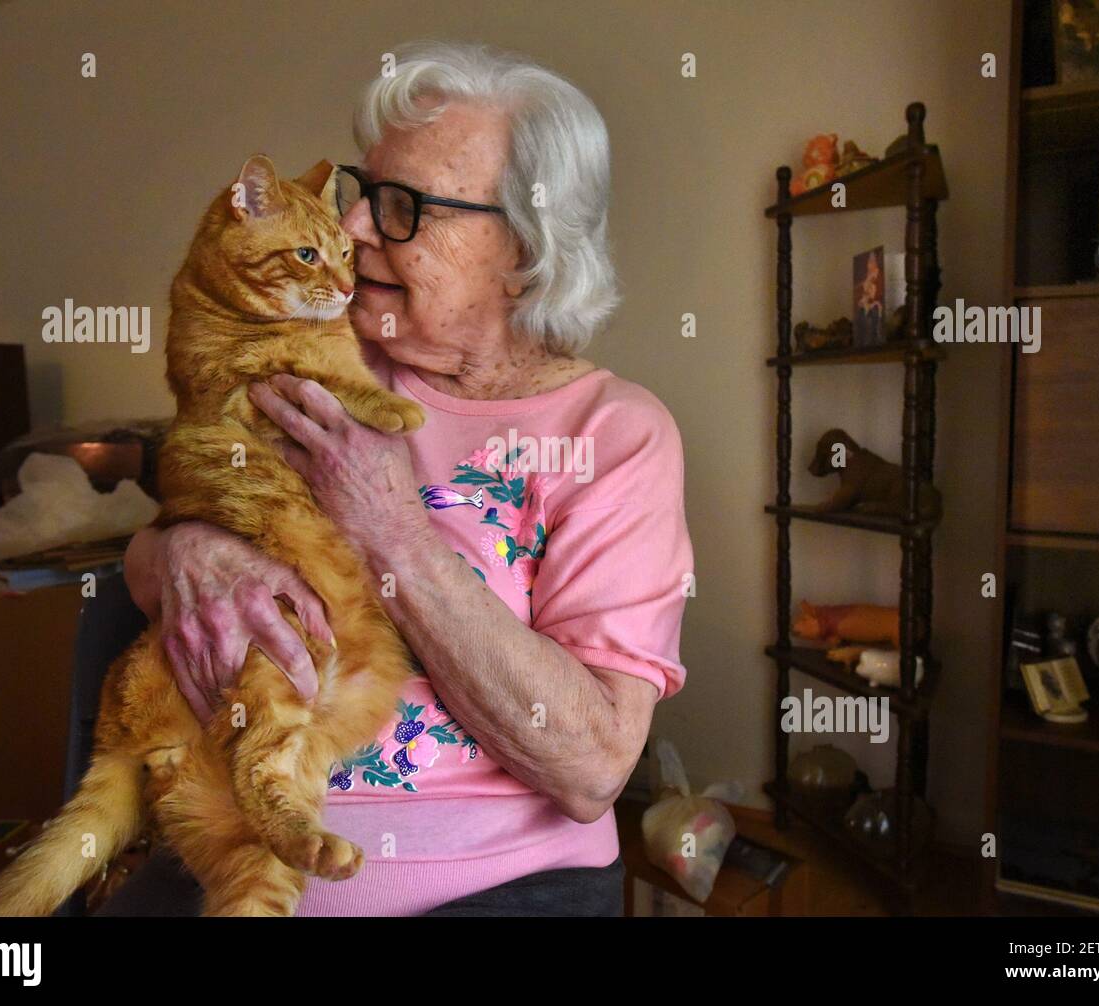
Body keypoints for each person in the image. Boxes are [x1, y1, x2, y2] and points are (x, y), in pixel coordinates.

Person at [112, 39, 693, 917]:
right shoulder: (306, 358)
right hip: (234, 851)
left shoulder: (614, 435)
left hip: (495, 889)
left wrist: (388, 523)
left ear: (525, 249)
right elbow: (142, 553)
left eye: (402, 207)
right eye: (357, 191)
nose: (347, 229)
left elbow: (592, 765)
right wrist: (190, 547)